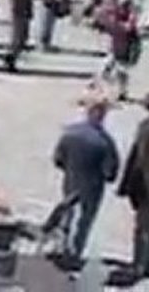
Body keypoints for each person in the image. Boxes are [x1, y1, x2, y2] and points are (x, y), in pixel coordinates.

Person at [52, 87, 120, 266]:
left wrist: (70, 168)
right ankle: (75, 254)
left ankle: (62, 249)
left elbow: (58, 159)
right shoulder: (105, 142)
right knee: (84, 221)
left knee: (67, 216)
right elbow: (110, 172)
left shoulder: (70, 133)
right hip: (92, 188)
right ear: (102, 115)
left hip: (70, 182)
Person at [118, 93, 149, 281]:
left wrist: (127, 185)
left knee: (143, 228)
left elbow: (137, 159)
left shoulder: (144, 128)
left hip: (144, 187)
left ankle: (140, 264)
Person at [99, 0, 141, 101]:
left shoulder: (131, 16)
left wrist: (116, 25)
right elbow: (107, 25)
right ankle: (107, 91)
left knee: (121, 70)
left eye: (125, 4)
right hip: (115, 46)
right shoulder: (116, 14)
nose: (122, 7)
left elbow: (128, 28)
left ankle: (122, 92)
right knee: (105, 69)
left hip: (127, 47)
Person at [4, 0, 36, 72]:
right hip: (18, 14)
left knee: (23, 38)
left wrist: (30, 12)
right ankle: (10, 59)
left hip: (24, 14)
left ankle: (11, 57)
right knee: (17, 38)